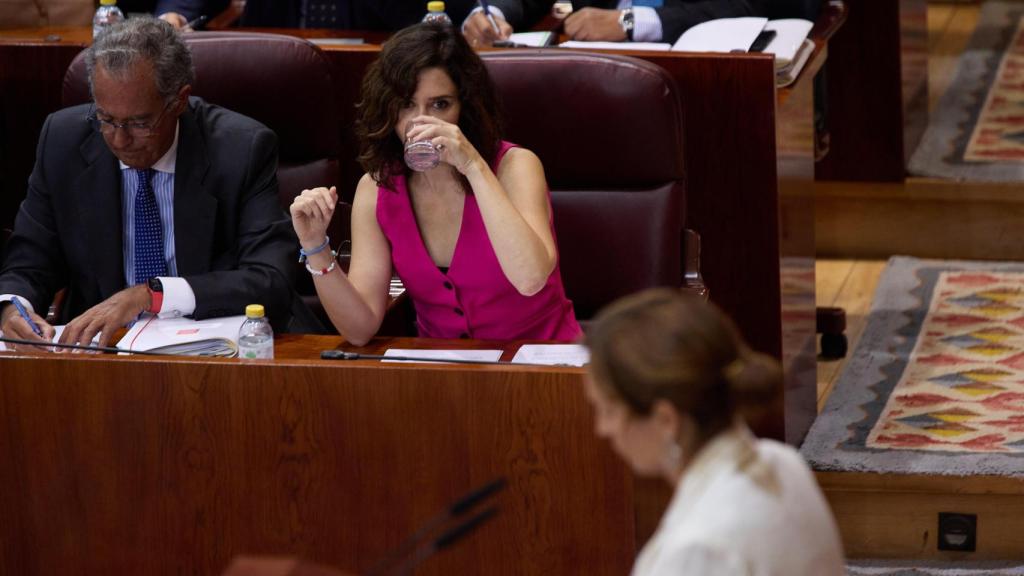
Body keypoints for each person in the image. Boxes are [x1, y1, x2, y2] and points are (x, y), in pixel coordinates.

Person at [0, 17, 315, 347]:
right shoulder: (63, 142)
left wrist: (151, 296)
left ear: (179, 101)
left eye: (139, 123)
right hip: (102, 352)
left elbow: (270, 280)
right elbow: (30, 261)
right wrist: (12, 308)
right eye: (106, 119)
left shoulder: (241, 150)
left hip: (212, 350)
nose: (119, 140)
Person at [290, 23, 581, 345]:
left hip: (542, 365)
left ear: (466, 107)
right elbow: (360, 329)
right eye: (406, 104)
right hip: (444, 372)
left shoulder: (515, 166)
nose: (421, 121)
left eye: (440, 104)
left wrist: (472, 165)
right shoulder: (378, 188)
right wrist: (316, 247)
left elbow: (530, 279)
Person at [584, 288, 845, 576]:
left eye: (608, 411)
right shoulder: (783, 462)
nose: (602, 429)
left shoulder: (697, 551)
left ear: (666, 419)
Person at [463, 0, 767, 46]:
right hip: (590, 60)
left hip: (696, 57)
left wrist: (632, 22)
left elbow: (744, 6)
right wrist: (492, 15)